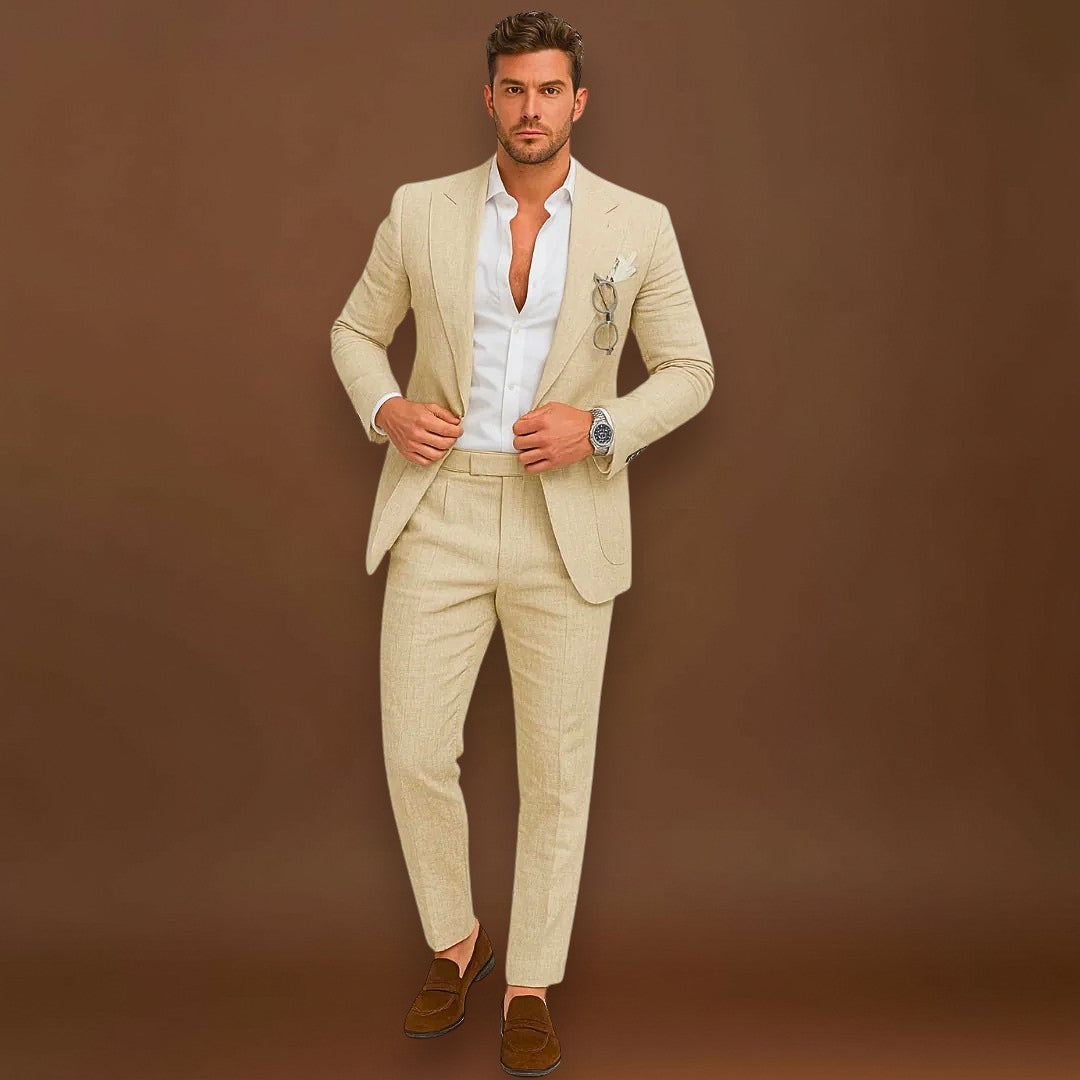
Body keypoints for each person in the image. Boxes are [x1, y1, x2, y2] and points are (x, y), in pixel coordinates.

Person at [330, 10, 713, 1075]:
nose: (531, 108)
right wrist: (387, 409)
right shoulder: (420, 210)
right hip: (442, 508)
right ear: (489, 98)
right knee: (416, 748)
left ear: (577, 101)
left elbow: (690, 370)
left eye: (549, 90)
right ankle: (457, 943)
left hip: (565, 518)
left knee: (555, 770)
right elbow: (355, 332)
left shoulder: (639, 223)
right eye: (513, 89)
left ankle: (529, 982)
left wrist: (601, 427)